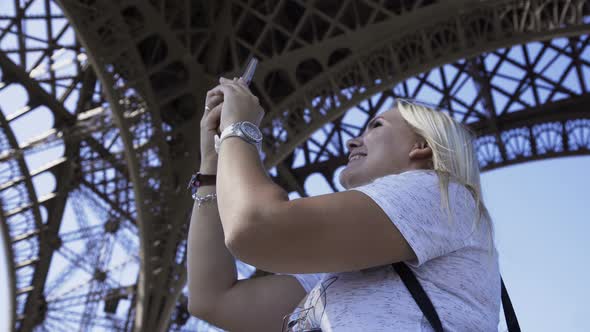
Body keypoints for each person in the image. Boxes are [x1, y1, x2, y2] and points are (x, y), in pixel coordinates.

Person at [186, 76, 501, 331]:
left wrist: (238, 130)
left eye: (376, 126)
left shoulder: (439, 192)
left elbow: (256, 226)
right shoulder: (339, 274)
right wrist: (212, 162)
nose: (352, 140)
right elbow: (212, 300)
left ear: (421, 146)